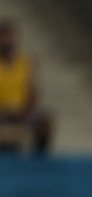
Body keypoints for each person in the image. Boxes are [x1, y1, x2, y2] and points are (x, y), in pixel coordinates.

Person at [0, 20, 52, 154]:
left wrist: (25, 111)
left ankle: (39, 159)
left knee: (44, 119)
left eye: (8, 36)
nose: (5, 40)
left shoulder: (26, 62)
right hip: (2, 111)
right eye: (2, 37)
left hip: (22, 110)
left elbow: (32, 91)